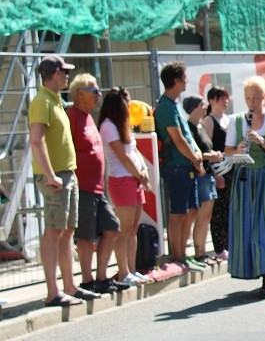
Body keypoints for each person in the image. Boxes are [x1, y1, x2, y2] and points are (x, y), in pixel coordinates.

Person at [29, 56, 97, 306]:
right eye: (64, 72)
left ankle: (70, 285)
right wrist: (49, 176)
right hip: (56, 176)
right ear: (55, 73)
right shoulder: (42, 101)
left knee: (67, 231)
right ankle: (53, 292)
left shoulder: (54, 100)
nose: (67, 76)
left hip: (66, 173)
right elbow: (36, 141)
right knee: (54, 231)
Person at [224, 76, 265, 299]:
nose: (252, 102)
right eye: (248, 98)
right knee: (248, 226)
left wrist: (261, 140)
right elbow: (228, 151)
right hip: (245, 178)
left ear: (264, 97)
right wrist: (239, 148)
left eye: (256, 97)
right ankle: (258, 270)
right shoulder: (236, 120)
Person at [66, 73, 126, 295]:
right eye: (94, 90)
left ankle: (102, 277)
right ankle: (88, 280)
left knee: (112, 227)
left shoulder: (90, 117)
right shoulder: (71, 116)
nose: (99, 94)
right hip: (82, 186)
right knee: (85, 235)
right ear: (80, 93)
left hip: (97, 187)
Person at [153, 61, 206, 270]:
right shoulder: (165, 106)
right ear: (175, 81)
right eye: (184, 77)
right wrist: (195, 158)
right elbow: (177, 139)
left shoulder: (174, 105)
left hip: (186, 165)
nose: (186, 81)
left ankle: (183, 253)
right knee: (178, 212)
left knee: (191, 210)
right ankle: (177, 255)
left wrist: (197, 154)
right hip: (176, 166)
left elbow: (187, 136)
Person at [99, 88, 152, 286]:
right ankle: (123, 271)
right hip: (121, 181)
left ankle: (132, 269)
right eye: (126, 102)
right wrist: (140, 175)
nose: (129, 107)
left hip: (135, 180)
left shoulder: (123, 125)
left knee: (133, 228)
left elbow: (134, 150)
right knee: (124, 228)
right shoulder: (108, 126)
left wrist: (144, 170)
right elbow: (122, 156)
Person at [183, 96, 223, 266]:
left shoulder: (201, 127)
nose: (206, 107)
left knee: (207, 215)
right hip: (198, 175)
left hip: (208, 174)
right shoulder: (188, 128)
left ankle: (203, 251)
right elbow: (191, 152)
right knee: (201, 214)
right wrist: (210, 156)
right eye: (202, 104)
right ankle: (199, 252)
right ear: (194, 108)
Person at [203, 86, 232, 261]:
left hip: (231, 169)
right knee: (218, 212)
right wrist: (215, 174)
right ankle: (220, 247)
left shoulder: (228, 120)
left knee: (229, 209)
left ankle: (230, 243)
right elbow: (208, 147)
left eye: (227, 98)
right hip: (219, 170)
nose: (226, 101)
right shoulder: (209, 121)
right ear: (213, 100)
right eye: (222, 98)